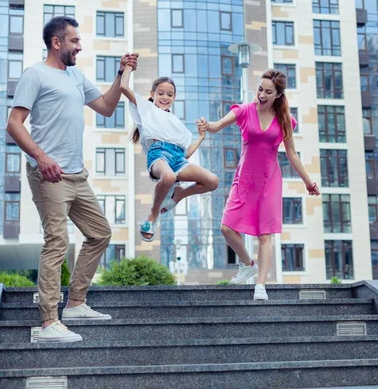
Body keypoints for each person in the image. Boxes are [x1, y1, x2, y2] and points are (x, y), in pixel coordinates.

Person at [7, 16, 137, 343]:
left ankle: (76, 301)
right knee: (57, 241)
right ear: (56, 43)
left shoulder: (76, 76)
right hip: (49, 174)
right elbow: (15, 123)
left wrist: (121, 73)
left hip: (77, 174)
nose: (80, 46)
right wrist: (41, 157)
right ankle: (49, 321)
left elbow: (107, 107)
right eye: (74, 41)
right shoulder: (35, 74)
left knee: (100, 233)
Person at [200, 68, 320, 301]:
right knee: (226, 228)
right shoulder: (245, 111)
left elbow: (292, 154)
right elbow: (216, 126)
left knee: (264, 236)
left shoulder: (284, 119)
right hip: (244, 180)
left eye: (268, 91)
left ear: (278, 95)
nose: (262, 94)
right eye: (260, 89)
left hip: (269, 181)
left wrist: (308, 182)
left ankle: (261, 286)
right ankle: (248, 264)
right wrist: (207, 125)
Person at [120, 58, 219, 242]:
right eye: (161, 93)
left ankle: (180, 193)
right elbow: (124, 88)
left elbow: (186, 153)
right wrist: (127, 68)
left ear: (174, 97)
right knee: (169, 177)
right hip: (158, 154)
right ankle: (153, 215)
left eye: (170, 95)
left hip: (178, 159)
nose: (165, 98)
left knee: (212, 181)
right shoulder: (147, 109)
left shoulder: (177, 123)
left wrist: (201, 137)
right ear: (153, 94)